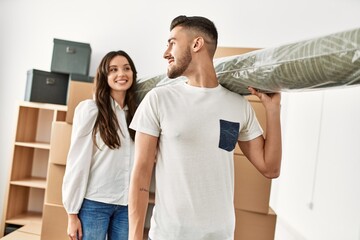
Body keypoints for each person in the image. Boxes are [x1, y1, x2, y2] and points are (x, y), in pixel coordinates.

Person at [128, 15, 282, 240]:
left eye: (172, 42)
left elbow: (270, 168)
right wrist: (134, 236)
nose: (166, 52)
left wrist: (273, 110)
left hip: (220, 235)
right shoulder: (159, 99)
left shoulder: (237, 105)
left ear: (196, 44)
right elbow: (141, 175)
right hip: (169, 235)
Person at [62, 50, 138, 240]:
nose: (121, 74)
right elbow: (77, 161)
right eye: (113, 70)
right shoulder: (91, 110)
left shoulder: (137, 113)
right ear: (105, 76)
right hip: (94, 204)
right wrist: (72, 213)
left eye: (126, 68)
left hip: (127, 205)